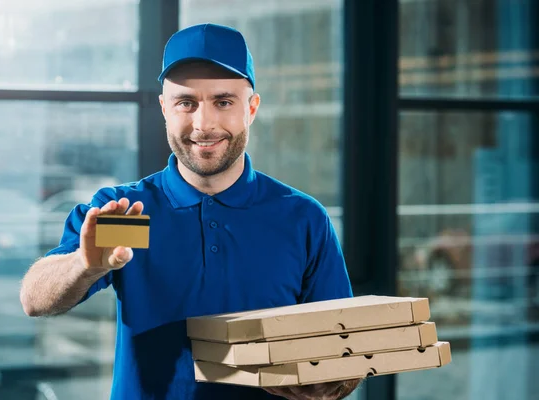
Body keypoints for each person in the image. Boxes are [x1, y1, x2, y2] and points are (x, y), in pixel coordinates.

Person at [20, 23, 361, 400]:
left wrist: (335, 381)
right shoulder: (124, 211)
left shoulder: (302, 218)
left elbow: (341, 350)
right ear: (165, 108)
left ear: (251, 108)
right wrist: (84, 266)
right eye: (186, 103)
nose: (204, 124)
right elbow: (34, 299)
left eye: (223, 101)